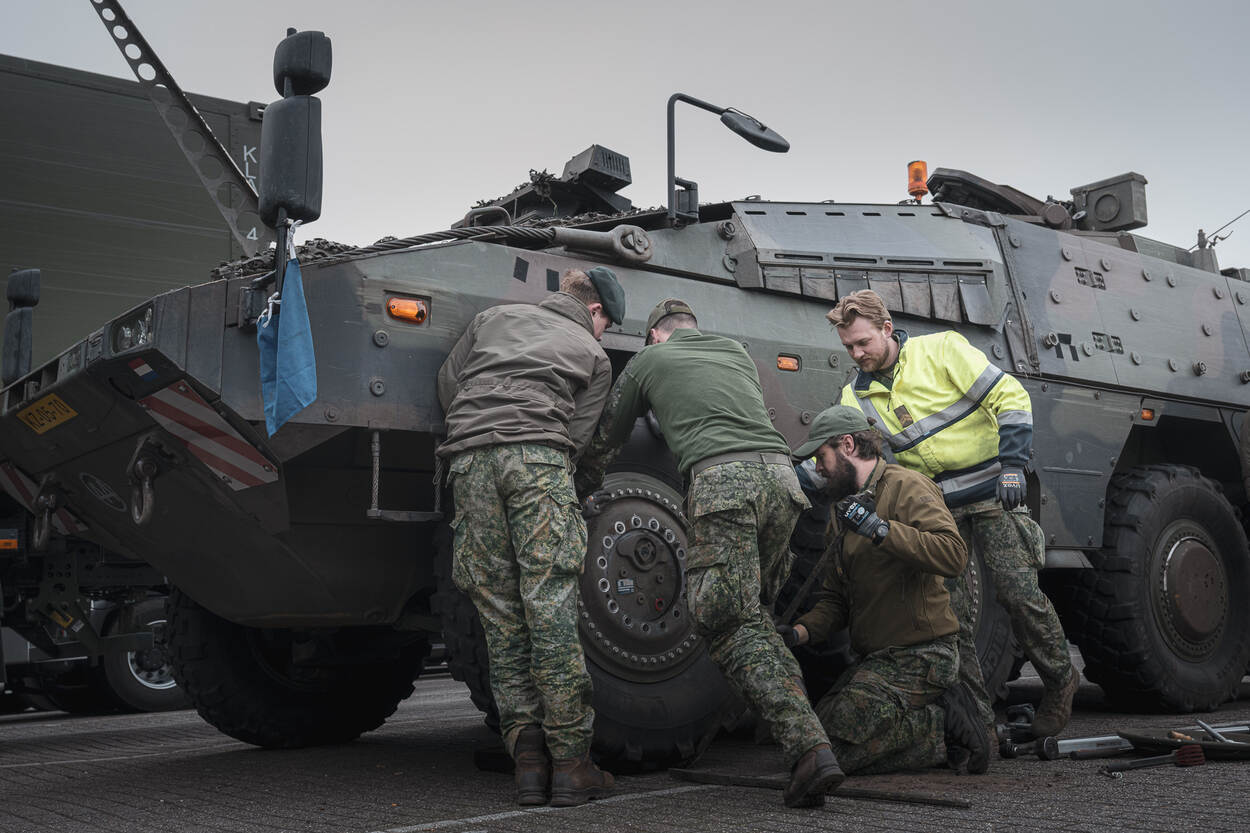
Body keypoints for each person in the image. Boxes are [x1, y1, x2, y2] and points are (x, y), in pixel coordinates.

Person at [577, 299, 843, 809]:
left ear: (655, 335)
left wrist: (580, 488)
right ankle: (784, 729)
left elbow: (609, 435)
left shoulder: (648, 360)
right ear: (695, 329)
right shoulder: (735, 353)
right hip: (782, 482)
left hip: (726, 485)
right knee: (756, 622)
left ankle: (809, 748)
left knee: (728, 624)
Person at [827, 289, 1078, 739]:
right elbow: (858, 458)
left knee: (1018, 593)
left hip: (994, 491)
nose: (857, 353)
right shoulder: (854, 396)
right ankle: (978, 720)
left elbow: (1011, 395)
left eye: (863, 342)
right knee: (953, 619)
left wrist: (1015, 464)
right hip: (940, 511)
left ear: (887, 329)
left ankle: (1061, 681)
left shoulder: (942, 349)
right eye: (848, 347)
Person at [436, 266, 624, 807]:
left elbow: (449, 385)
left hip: (469, 461)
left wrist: (480, 431)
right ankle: (571, 763)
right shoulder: (593, 355)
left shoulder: (492, 319)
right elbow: (580, 437)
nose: (603, 334)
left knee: (499, 612)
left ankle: (526, 759)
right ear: (594, 312)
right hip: (537, 459)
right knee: (550, 605)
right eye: (606, 324)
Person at [779, 405, 989, 774]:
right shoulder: (840, 513)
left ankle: (944, 730)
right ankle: (929, 713)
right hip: (876, 660)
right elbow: (835, 600)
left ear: (847, 445)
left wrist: (880, 529)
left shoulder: (906, 485)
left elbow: (953, 554)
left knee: (832, 756)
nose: (818, 468)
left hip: (922, 655)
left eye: (820, 456)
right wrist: (798, 632)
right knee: (807, 738)